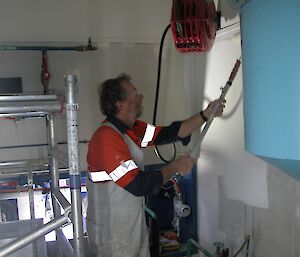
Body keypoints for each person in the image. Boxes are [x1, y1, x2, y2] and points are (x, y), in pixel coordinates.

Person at [86, 73, 224, 257]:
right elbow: (139, 184)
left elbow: (170, 133)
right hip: (112, 232)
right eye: (135, 93)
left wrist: (206, 114)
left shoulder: (132, 129)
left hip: (130, 226)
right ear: (120, 104)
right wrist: (175, 166)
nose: (141, 97)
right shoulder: (107, 138)